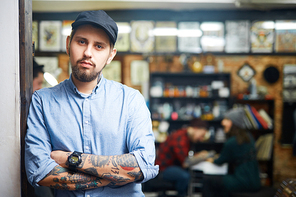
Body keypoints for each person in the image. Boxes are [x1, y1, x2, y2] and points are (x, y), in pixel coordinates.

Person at [25, 10, 158, 197]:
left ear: (111, 55)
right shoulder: (42, 101)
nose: (88, 52)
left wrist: (70, 159)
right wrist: (114, 175)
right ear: (68, 44)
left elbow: (143, 165)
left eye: (99, 46)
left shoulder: (131, 100)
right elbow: (40, 172)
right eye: (81, 42)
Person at [203, 108, 261, 197]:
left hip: (243, 182)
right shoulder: (249, 137)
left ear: (233, 123)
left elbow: (219, 161)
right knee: (222, 181)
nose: (222, 123)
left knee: (208, 180)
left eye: (226, 120)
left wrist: (209, 159)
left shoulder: (232, 142)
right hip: (255, 181)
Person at [155, 118, 209, 197]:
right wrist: (203, 157)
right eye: (202, 135)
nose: (201, 139)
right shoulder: (180, 138)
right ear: (196, 129)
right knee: (185, 176)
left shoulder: (185, 137)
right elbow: (185, 162)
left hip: (171, 166)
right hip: (163, 169)